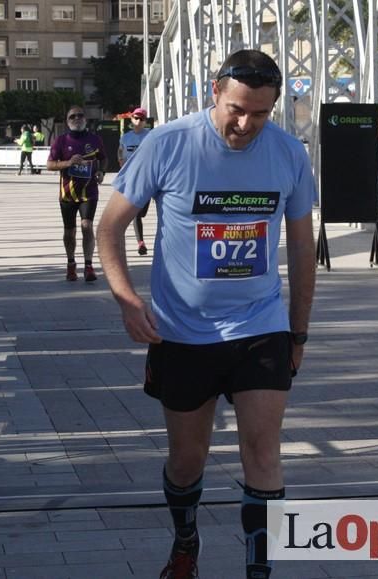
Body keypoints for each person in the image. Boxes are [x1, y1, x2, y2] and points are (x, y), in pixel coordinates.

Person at [97, 49, 316, 579]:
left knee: (264, 453)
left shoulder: (288, 154)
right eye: (238, 109)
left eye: (261, 113)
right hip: (182, 335)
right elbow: (109, 229)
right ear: (214, 92)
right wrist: (127, 301)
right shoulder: (168, 143)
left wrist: (298, 331)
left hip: (260, 326)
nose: (246, 124)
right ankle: (185, 543)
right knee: (187, 458)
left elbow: (304, 248)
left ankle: (260, 570)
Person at [47, 106, 107, 282]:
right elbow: (50, 165)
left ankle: (88, 266)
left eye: (80, 115)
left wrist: (102, 171)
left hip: (89, 192)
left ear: (85, 120)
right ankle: (71, 263)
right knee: (69, 232)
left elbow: (104, 158)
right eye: (72, 116)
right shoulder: (61, 141)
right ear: (67, 121)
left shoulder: (95, 139)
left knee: (87, 226)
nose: (77, 118)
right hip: (67, 193)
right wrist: (68, 163)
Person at [117, 107, 152, 255]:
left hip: (147, 179)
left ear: (145, 122)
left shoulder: (151, 136)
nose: (138, 121)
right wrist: (123, 167)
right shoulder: (125, 137)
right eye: (136, 118)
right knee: (136, 213)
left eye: (141, 119)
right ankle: (141, 243)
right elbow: (120, 154)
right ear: (131, 120)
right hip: (131, 179)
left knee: (141, 212)